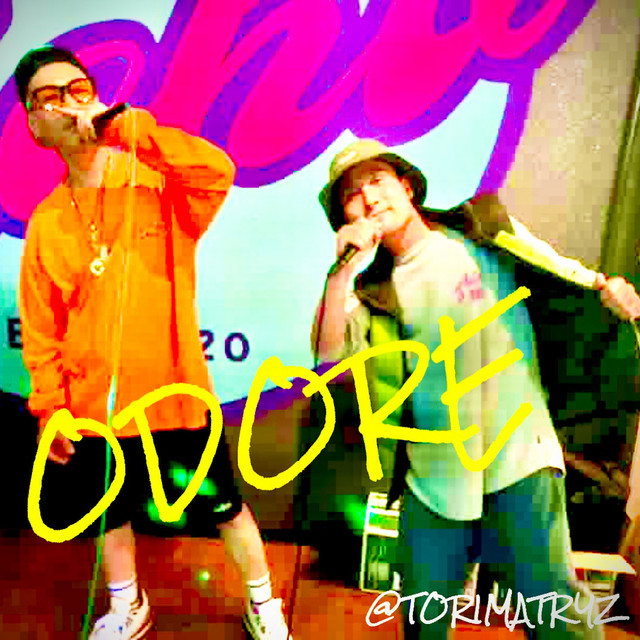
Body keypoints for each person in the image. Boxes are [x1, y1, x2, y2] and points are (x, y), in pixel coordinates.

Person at [312, 138, 640, 639]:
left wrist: (606, 288)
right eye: (352, 195)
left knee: (556, 617)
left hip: (520, 461)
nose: (370, 198)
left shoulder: (482, 228)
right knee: (423, 623)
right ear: (345, 218)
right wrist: (340, 273)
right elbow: (327, 356)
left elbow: (559, 269)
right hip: (433, 480)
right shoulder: (370, 291)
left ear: (406, 186)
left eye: (377, 180)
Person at [16, 46, 291, 640]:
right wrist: (51, 411)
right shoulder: (46, 222)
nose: (68, 105)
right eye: (49, 97)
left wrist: (127, 130)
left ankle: (263, 602)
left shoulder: (160, 188)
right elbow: (42, 331)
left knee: (223, 506)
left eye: (79, 89)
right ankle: (127, 605)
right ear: (34, 124)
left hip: (176, 401)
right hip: (93, 415)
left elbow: (216, 171)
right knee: (107, 514)